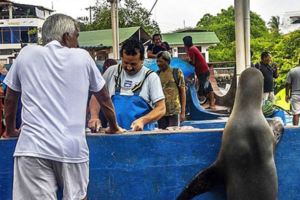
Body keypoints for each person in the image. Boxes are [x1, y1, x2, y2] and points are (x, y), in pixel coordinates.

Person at [3, 14, 123, 200]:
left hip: (33, 147)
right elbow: (104, 97)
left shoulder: (27, 54)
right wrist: (114, 126)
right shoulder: (82, 57)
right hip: (72, 148)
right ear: (67, 36)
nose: (77, 42)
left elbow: (10, 98)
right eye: (76, 36)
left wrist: (10, 130)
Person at [89, 39, 166, 131]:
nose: (129, 67)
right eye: (125, 63)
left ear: (142, 60)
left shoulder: (151, 77)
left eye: (133, 64)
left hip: (141, 136)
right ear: (121, 58)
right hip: (115, 134)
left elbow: (161, 108)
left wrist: (143, 120)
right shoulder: (111, 72)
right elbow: (97, 96)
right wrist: (94, 116)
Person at [182, 35, 215, 109]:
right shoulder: (193, 48)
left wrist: (185, 62)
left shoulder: (191, 49)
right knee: (206, 87)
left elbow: (193, 62)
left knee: (205, 88)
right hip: (203, 71)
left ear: (185, 43)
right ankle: (211, 103)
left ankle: (212, 103)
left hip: (203, 71)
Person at [156, 51, 186, 129]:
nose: (158, 63)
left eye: (160, 61)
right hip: (161, 111)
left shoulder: (176, 72)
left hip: (174, 111)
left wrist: (183, 112)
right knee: (161, 135)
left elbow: (183, 92)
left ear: (167, 61)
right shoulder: (157, 74)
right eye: (157, 61)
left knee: (173, 135)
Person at [285, 59, 300, 126]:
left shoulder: (292, 71)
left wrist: (287, 95)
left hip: (295, 95)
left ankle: (295, 131)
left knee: (296, 114)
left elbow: (287, 84)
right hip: (295, 94)